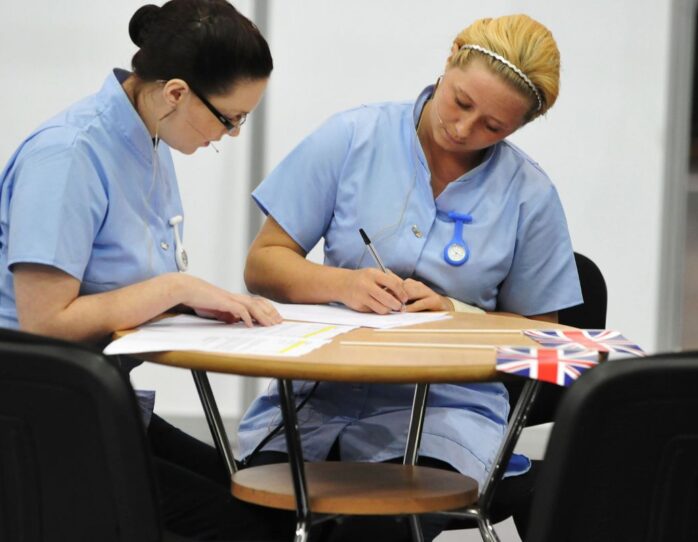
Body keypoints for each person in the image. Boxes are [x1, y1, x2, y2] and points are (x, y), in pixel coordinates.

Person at [237, 13, 583, 542]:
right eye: (461, 102)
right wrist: (341, 284)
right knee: (246, 523)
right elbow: (264, 263)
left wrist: (457, 314)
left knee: (379, 528)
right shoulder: (353, 137)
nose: (464, 129)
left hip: (451, 417)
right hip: (317, 401)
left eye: (493, 126)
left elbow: (548, 342)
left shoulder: (530, 196)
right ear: (449, 61)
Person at [0, 1, 292, 540]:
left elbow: (114, 284)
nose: (232, 135)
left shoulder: (145, 140)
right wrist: (176, 288)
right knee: (245, 524)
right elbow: (43, 324)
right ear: (176, 92)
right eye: (230, 118)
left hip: (90, 400)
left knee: (264, 500)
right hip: (32, 413)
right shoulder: (69, 155)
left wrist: (193, 300)